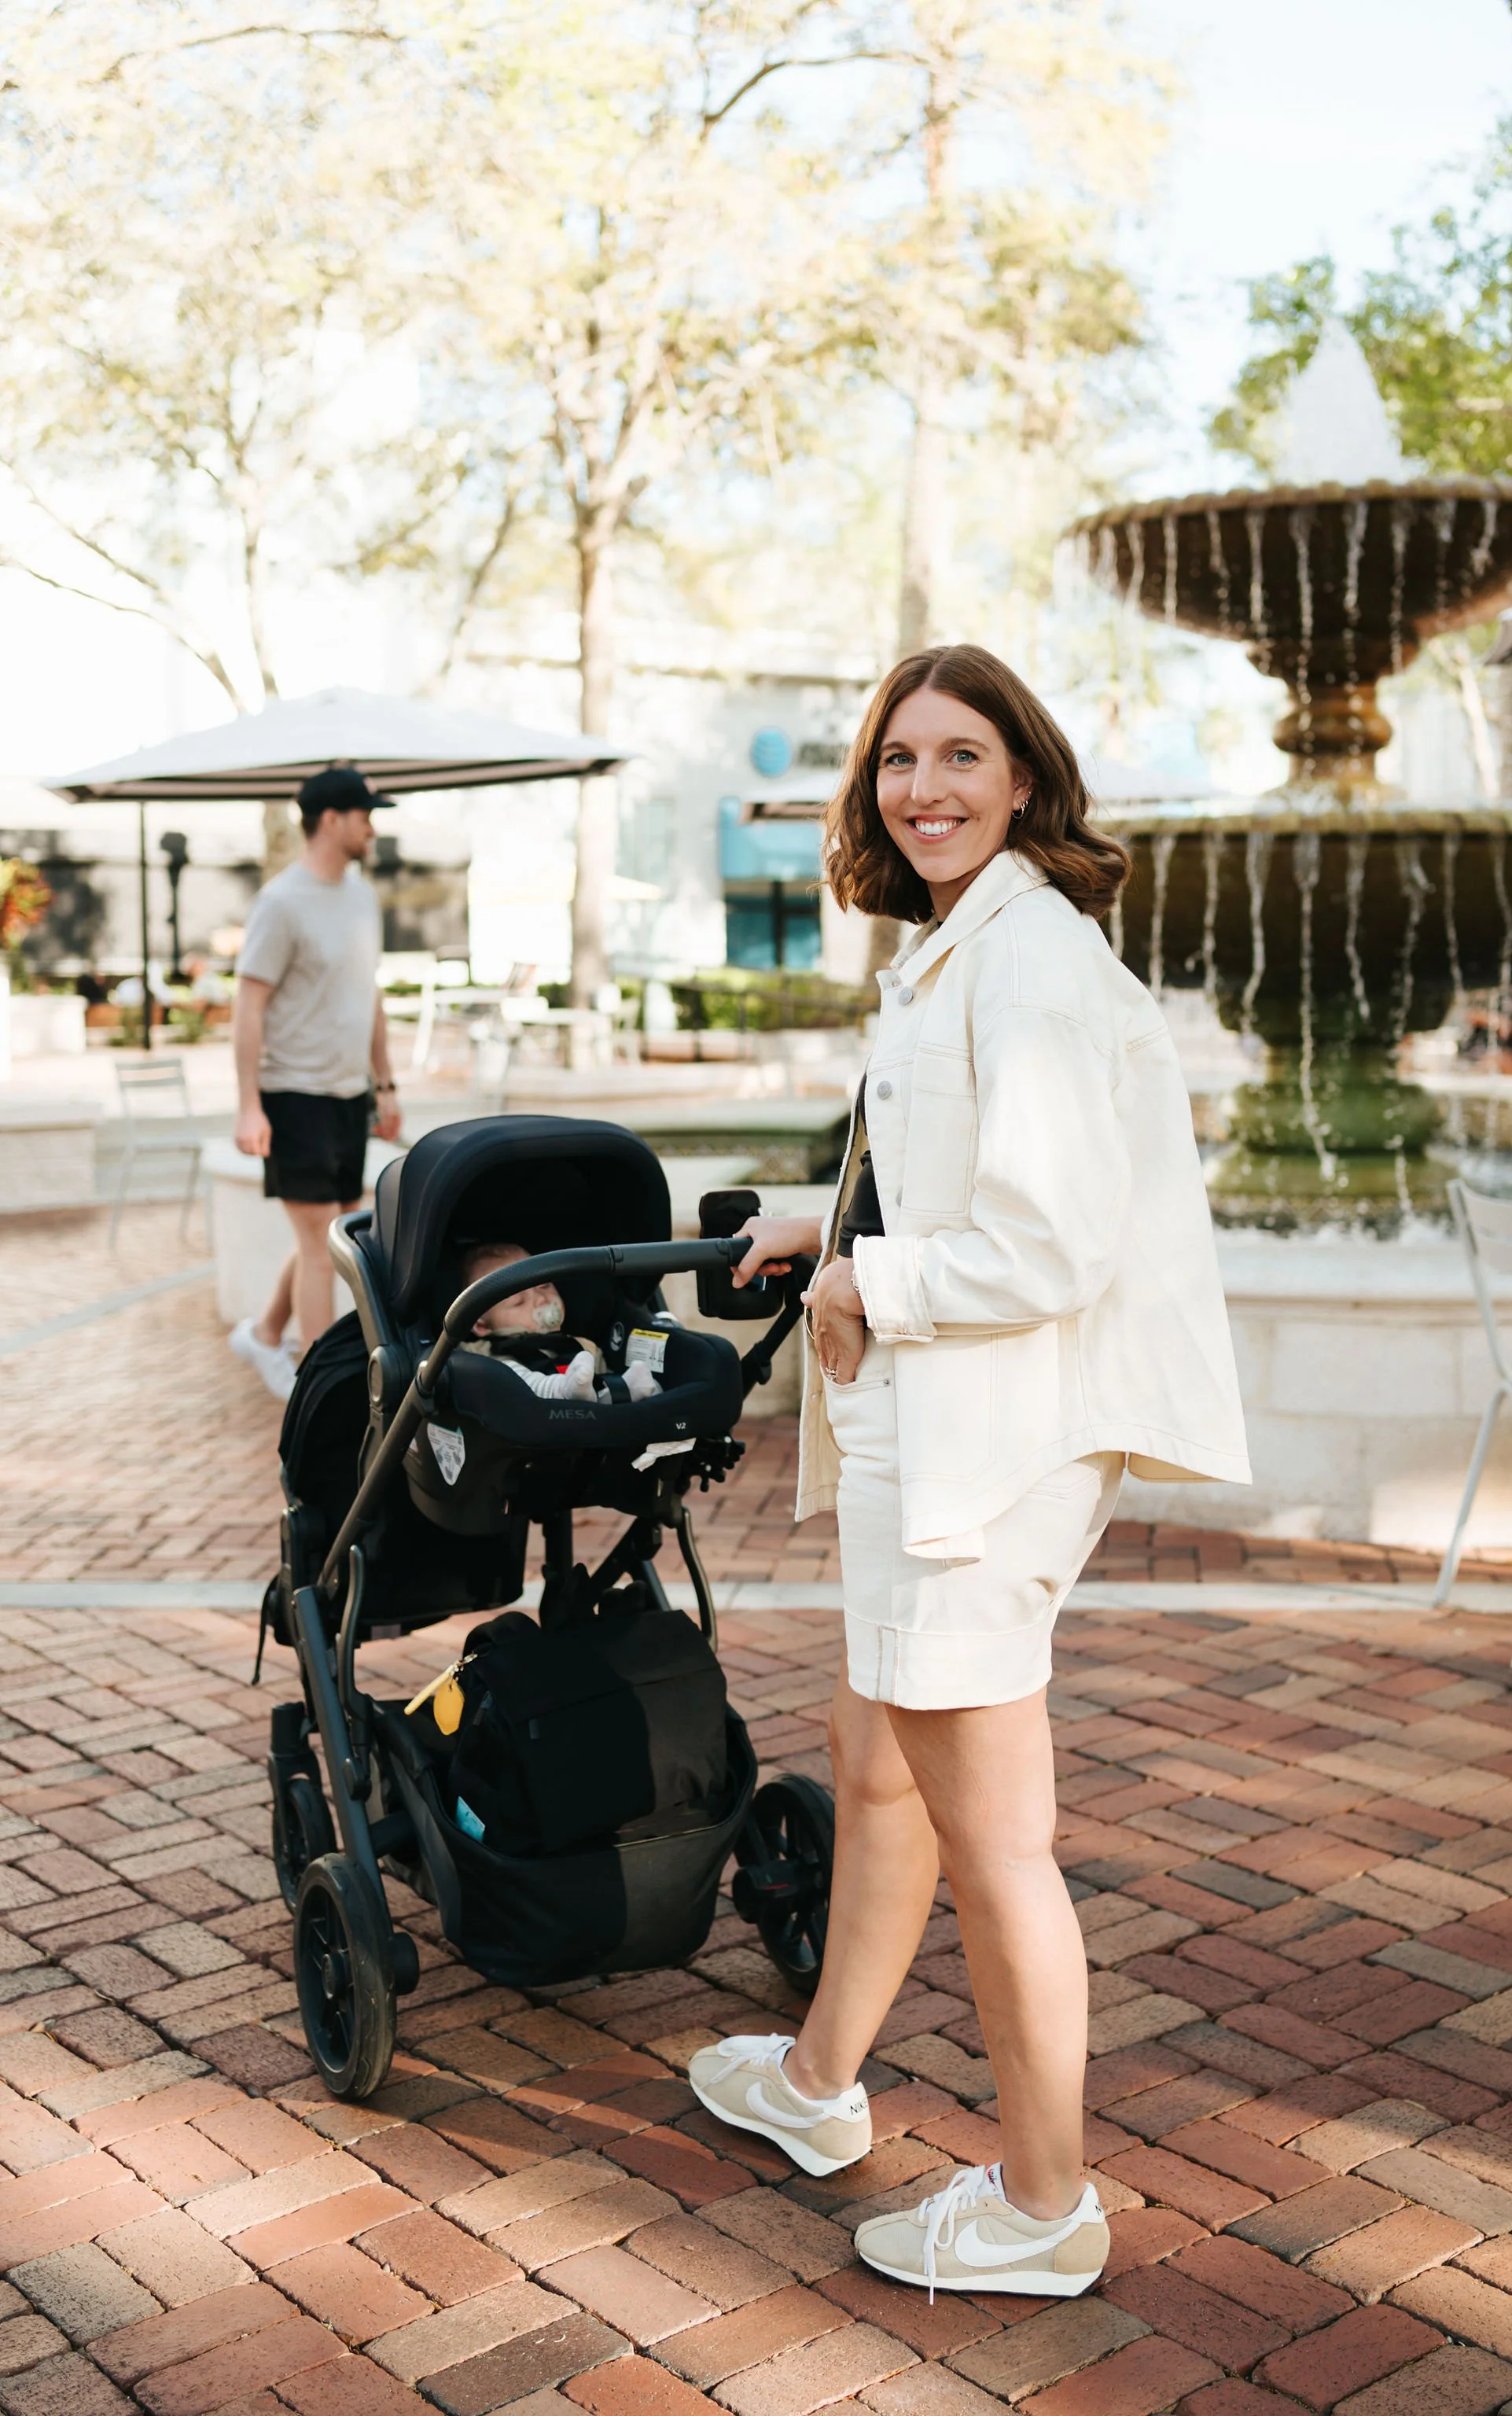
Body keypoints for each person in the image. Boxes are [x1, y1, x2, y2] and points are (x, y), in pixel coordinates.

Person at [688, 644, 1249, 2300]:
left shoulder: (1035, 962)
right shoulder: (960, 949)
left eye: (960, 757)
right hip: (925, 1435)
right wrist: (836, 1228)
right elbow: (961, 1184)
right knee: (873, 1779)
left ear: (1023, 777)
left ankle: (1042, 2206)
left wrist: (876, 1280)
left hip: (984, 1456)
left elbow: (1049, 1245)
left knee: (997, 1843)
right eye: (896, 761)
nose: (922, 788)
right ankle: (815, 2088)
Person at [229, 766, 403, 1400]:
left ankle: (267, 1332)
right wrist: (249, 1105)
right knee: (323, 1238)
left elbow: (369, 995)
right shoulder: (281, 902)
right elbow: (248, 1007)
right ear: (332, 819)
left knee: (328, 1231)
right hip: (292, 1092)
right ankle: (320, 1389)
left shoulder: (361, 896)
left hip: (346, 1094)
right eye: (365, 815)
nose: (372, 826)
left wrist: (384, 1085)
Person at [457, 1240, 660, 1401]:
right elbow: (453, 1368)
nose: (541, 1299)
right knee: (503, 1373)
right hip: (522, 1411)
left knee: (604, 1377)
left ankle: (630, 1390)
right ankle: (559, 1390)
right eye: (518, 1301)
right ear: (482, 1324)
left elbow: (601, 1377)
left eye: (544, 1285)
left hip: (589, 1422)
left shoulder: (583, 1347)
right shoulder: (479, 1352)